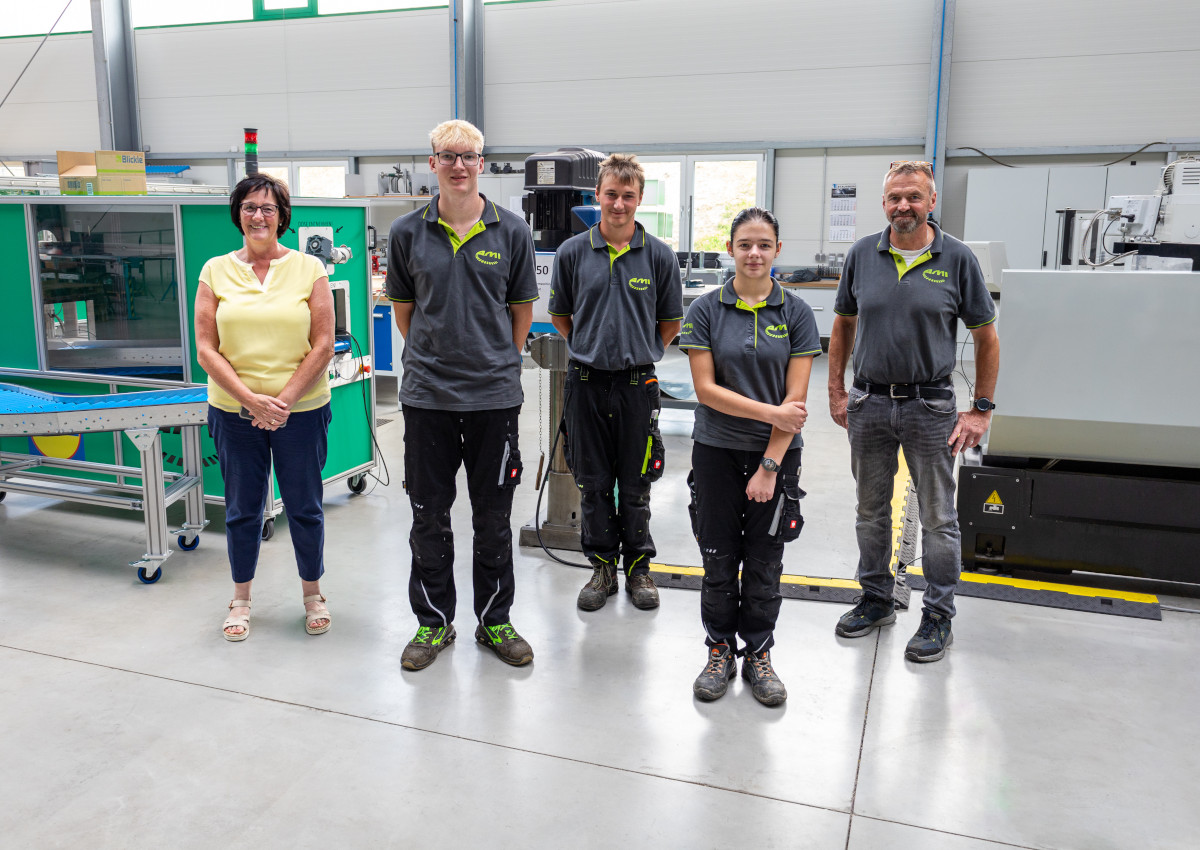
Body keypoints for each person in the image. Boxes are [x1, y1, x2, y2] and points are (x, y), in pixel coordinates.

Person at [828, 160, 1000, 662]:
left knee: (938, 517)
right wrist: (837, 392)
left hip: (931, 405)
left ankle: (938, 615)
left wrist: (981, 410)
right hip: (869, 402)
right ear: (884, 204)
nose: (903, 206)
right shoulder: (863, 254)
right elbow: (842, 325)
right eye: (894, 198)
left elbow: (986, 337)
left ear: (931, 202)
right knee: (870, 510)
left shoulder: (958, 258)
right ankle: (876, 599)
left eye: (913, 197)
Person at [386, 119, 538, 670]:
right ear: (432, 163)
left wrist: (492, 358)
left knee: (493, 515)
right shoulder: (407, 233)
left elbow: (521, 314)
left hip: (494, 399)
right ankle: (432, 623)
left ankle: (494, 620)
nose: (458, 165)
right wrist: (437, 354)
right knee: (429, 513)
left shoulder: (512, 231)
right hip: (427, 397)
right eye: (447, 156)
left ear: (482, 163)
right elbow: (405, 313)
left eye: (468, 156)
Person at [679, 208, 821, 706]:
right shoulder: (705, 309)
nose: (754, 253)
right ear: (731, 250)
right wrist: (772, 414)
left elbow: (796, 407)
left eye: (763, 244)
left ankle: (758, 654)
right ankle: (719, 652)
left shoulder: (797, 313)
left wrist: (769, 465)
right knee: (718, 559)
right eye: (745, 244)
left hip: (776, 460)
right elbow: (706, 390)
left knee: (764, 562)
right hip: (715, 450)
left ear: (777, 249)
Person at [195, 173, 335, 641]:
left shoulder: (309, 269)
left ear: (283, 218)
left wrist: (284, 402)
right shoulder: (214, 270)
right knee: (242, 509)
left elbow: (323, 343)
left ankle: (313, 593)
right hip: (235, 413)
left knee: (305, 506)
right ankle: (241, 598)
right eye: (250, 207)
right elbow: (206, 348)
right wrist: (251, 400)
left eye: (268, 208)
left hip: (303, 410)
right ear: (238, 213)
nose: (259, 215)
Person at [548, 154, 684, 612]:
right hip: (585, 383)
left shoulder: (660, 255)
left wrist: (634, 353)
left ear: (640, 199)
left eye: (628, 196)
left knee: (636, 481)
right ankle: (602, 567)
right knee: (593, 482)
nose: (619, 204)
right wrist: (592, 348)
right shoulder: (572, 253)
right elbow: (560, 318)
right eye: (611, 194)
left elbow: (669, 323)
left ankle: (638, 569)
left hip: (636, 386)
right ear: (598, 196)